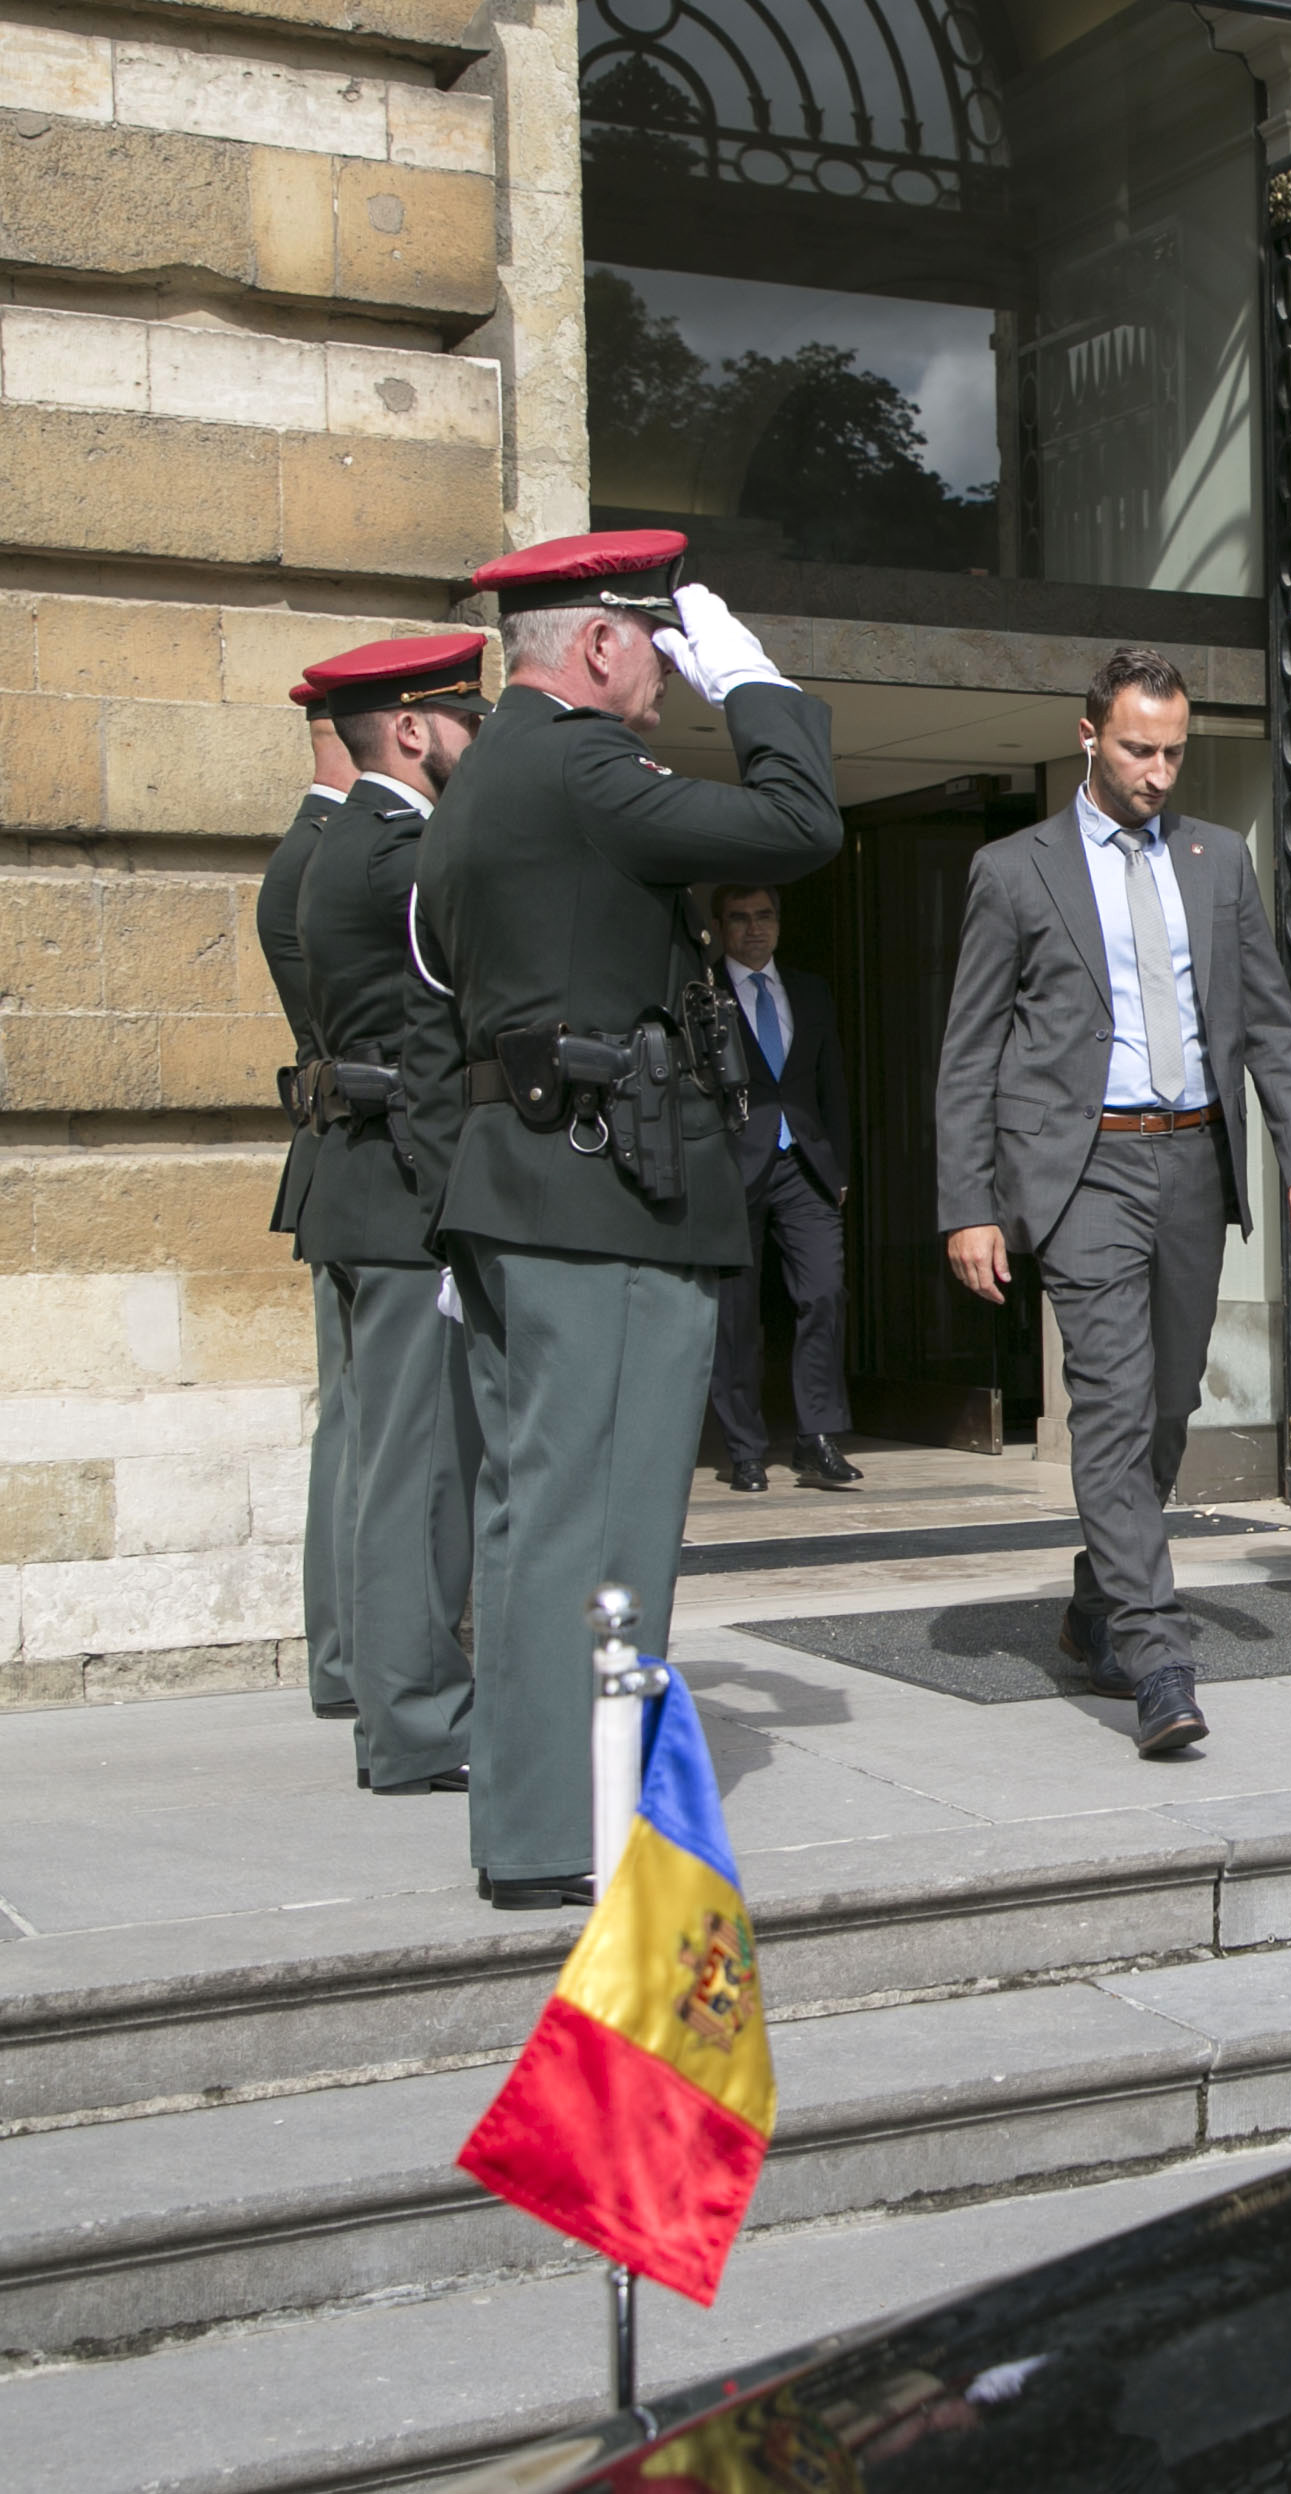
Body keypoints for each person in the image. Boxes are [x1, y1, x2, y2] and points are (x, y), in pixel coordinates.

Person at [406, 531, 842, 1909]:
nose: (667, 668)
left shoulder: (489, 783)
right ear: (598, 643)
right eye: (655, 643)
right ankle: (559, 1830)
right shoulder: (578, 766)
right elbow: (798, 825)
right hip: (598, 1197)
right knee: (602, 1517)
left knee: (539, 1510)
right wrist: (758, 685)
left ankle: (543, 1804)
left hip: (532, 1181)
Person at [937, 647, 1291, 1757]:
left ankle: (1095, 1598)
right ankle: (1155, 1652)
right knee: (1110, 1406)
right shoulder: (1015, 870)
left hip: (1192, 1164)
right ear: (1087, 737)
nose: (1159, 772)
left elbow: (1267, 1023)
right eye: (1137, 749)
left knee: (1165, 1405)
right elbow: (968, 1053)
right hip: (1085, 1170)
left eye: (1173, 751)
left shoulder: (1217, 862)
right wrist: (966, 1202)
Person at [291, 634, 492, 1796]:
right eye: (467, 717)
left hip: (360, 1186)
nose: (481, 738)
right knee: (419, 1472)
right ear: (413, 731)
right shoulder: (406, 853)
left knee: (386, 1462)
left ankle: (389, 1690)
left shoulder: (340, 840)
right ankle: (416, 1721)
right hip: (404, 1194)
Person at [260, 671, 360, 1750]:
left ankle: (346, 1651)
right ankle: (352, 1651)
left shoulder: (316, 848)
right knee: (375, 1433)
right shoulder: (328, 855)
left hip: (337, 1160)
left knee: (361, 1429)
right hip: (357, 1157)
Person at [706, 884, 861, 1494]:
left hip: (805, 1164)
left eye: (764, 916)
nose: (753, 929)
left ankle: (816, 1437)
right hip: (729, 1168)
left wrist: (840, 1169)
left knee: (823, 1293)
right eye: (739, 919)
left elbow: (833, 1086)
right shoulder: (702, 994)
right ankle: (745, 1448)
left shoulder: (810, 989)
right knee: (736, 1315)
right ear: (720, 927)